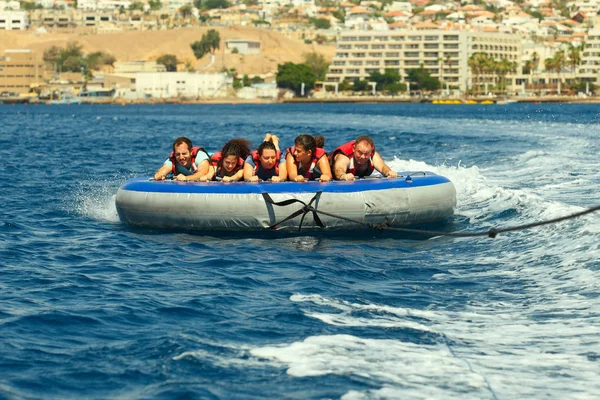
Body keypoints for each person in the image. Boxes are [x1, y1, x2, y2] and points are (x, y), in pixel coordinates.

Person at [330, 135, 398, 181]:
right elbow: (339, 169)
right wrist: (343, 176)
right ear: (354, 149)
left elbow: (382, 167)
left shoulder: (373, 155)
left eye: (366, 154)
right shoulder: (344, 156)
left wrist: (388, 172)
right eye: (360, 152)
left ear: (370, 151)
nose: (363, 157)